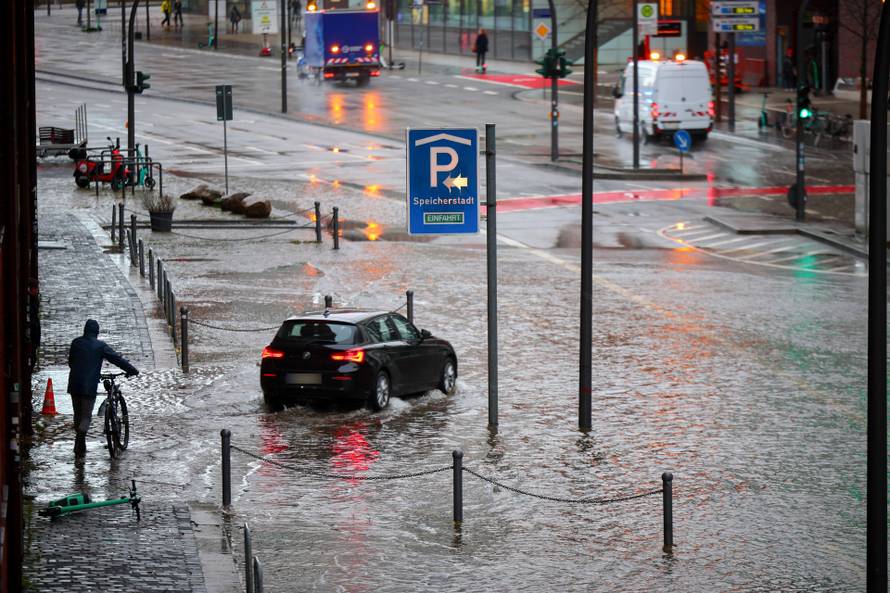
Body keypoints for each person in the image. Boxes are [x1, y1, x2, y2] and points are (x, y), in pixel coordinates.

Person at [67, 319, 139, 459]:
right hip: (89, 386)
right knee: (86, 417)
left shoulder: (76, 342)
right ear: (97, 333)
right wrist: (132, 370)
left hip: (74, 384)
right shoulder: (100, 346)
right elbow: (117, 359)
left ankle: (80, 445)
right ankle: (80, 439)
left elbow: (71, 361)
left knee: (78, 415)